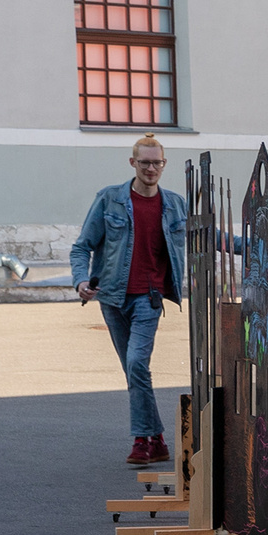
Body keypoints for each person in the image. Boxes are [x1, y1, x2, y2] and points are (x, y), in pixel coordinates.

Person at [70, 134, 187, 465]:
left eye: (158, 163)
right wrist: (80, 280)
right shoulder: (110, 200)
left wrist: (251, 244)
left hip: (148, 299)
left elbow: (210, 234)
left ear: (164, 165)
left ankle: (141, 440)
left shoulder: (175, 204)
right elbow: (82, 246)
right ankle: (159, 439)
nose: (152, 169)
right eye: (145, 162)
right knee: (133, 370)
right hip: (111, 298)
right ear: (133, 163)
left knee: (137, 364)